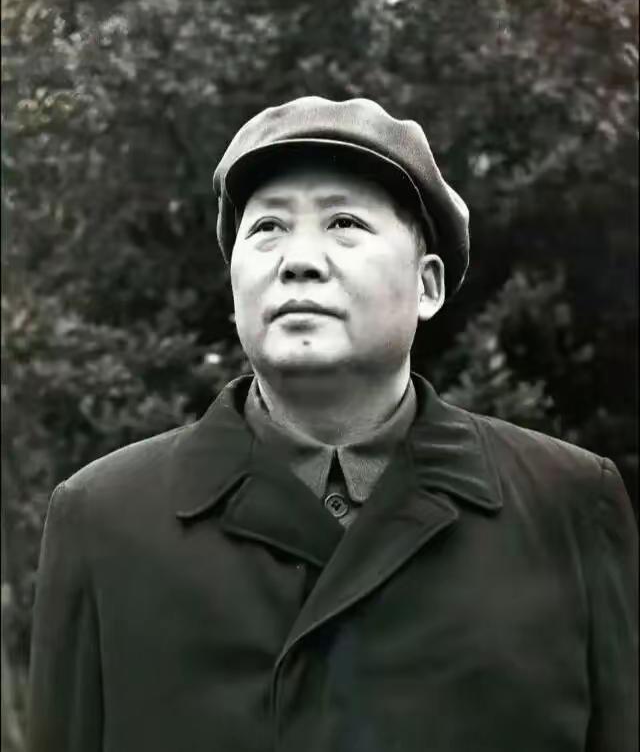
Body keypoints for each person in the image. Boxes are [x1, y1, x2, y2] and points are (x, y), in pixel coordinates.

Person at [28, 97, 638, 752]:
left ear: (427, 285)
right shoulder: (103, 518)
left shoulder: (569, 503)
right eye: (268, 228)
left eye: (344, 223)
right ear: (234, 285)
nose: (298, 260)